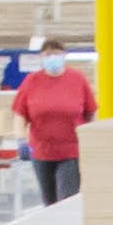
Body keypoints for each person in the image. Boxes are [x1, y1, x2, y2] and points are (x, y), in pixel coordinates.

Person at [12, 49, 96, 204]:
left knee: (67, 199)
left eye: (56, 54)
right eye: (47, 55)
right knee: (49, 201)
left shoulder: (77, 79)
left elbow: (90, 111)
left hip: (70, 151)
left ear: (64, 55)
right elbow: (20, 114)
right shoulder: (32, 81)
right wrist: (21, 140)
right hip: (41, 151)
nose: (52, 58)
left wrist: (87, 136)